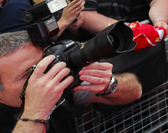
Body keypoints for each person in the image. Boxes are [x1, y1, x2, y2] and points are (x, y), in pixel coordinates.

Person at [0, 30, 142, 133]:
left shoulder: (60, 84)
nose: (46, 76)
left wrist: (109, 84)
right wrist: (35, 113)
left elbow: (135, 91)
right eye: (31, 73)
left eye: (46, 64)